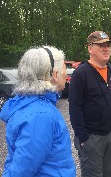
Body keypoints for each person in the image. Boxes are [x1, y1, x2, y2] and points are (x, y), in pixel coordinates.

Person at [0, 46, 76, 176]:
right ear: (55, 75)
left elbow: (15, 159)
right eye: (64, 68)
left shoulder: (28, 104)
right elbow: (20, 171)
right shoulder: (40, 116)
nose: (66, 73)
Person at [69, 31, 111, 177]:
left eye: (108, 45)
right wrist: (83, 138)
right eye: (101, 45)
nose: (106, 48)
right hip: (92, 137)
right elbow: (74, 108)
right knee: (93, 174)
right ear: (90, 48)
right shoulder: (81, 73)